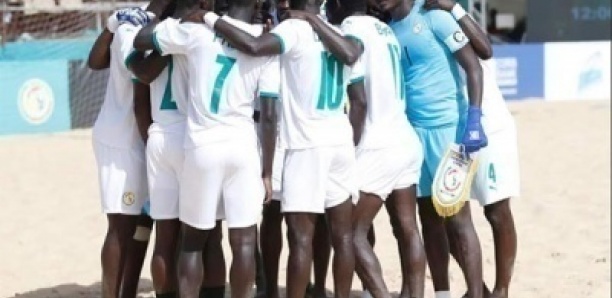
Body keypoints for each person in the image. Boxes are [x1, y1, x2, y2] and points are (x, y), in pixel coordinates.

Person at [198, 0, 368, 296]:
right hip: (339, 140)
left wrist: (209, 18)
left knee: (301, 237)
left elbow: (252, 45)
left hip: (306, 145)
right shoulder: (338, 31)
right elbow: (354, 72)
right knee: (342, 237)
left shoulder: (292, 29)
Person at [135, 0, 279, 296]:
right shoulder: (264, 43)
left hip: (202, 147)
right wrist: (267, 172)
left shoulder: (198, 33)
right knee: (244, 243)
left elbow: (141, 39)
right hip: (243, 145)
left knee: (192, 242)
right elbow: (269, 116)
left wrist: (179, 19)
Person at [285, 0, 427, 296]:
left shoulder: (350, 29)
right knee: (407, 228)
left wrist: (312, 21)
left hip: (378, 143)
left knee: (348, 232)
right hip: (404, 137)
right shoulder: (384, 29)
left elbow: (350, 58)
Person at [376, 0, 489, 297]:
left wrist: (474, 117)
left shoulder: (434, 18)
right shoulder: (385, 29)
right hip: (413, 133)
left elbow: (474, 67)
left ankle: (476, 293)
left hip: (449, 129)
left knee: (458, 217)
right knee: (428, 217)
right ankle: (442, 293)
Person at [129, 0, 228, 296]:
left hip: (160, 134)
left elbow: (142, 78)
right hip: (194, 137)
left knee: (165, 236)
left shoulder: (161, 34)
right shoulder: (205, 35)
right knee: (209, 236)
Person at [423, 2, 519, 298]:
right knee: (450, 211)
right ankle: (481, 290)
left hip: (488, 126)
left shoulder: (451, 17)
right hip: (449, 128)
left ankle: (502, 290)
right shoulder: (419, 20)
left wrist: (453, 7)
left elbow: (486, 49)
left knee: (496, 211)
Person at [87, 6, 156, 298]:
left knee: (144, 221)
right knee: (121, 225)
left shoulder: (162, 21)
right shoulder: (132, 24)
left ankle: (127, 290)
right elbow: (95, 62)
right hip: (124, 139)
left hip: (142, 137)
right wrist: (111, 25)